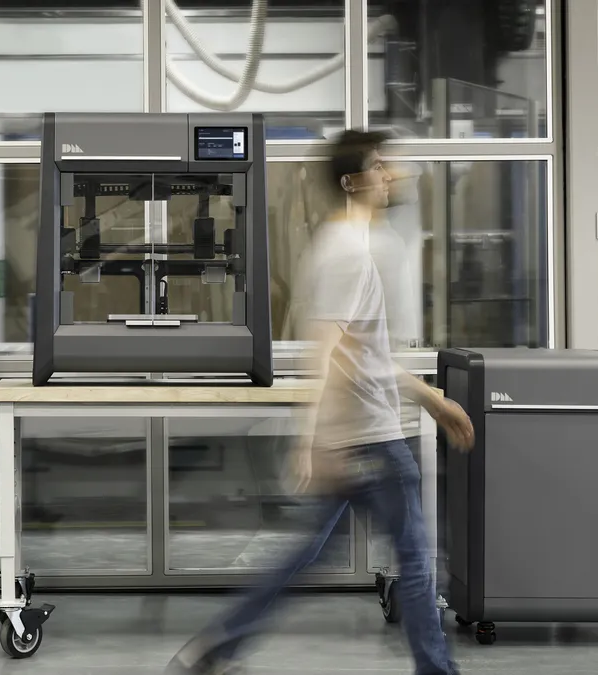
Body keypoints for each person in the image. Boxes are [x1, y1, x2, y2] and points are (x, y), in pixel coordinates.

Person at [166, 130, 475, 675]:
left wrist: (431, 400)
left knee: (303, 556)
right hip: (371, 439)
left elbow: (366, 355)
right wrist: (317, 441)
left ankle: (214, 647)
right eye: (379, 166)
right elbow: (326, 353)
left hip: (359, 435)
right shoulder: (347, 255)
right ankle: (437, 671)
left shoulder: (348, 247)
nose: (389, 175)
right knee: (417, 563)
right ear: (351, 181)